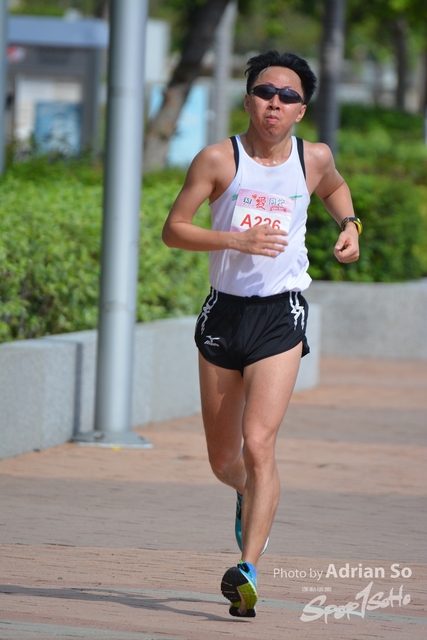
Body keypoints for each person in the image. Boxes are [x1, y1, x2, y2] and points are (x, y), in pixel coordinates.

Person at [162, 50, 361, 618]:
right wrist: (236, 240)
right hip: (224, 314)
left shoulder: (313, 158)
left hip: (280, 314)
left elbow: (335, 188)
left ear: (301, 110)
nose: (276, 103)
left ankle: (246, 569)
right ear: (248, 100)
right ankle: (248, 493)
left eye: (288, 96)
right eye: (266, 92)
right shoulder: (217, 160)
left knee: (258, 443)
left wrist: (349, 225)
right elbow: (174, 230)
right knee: (225, 460)